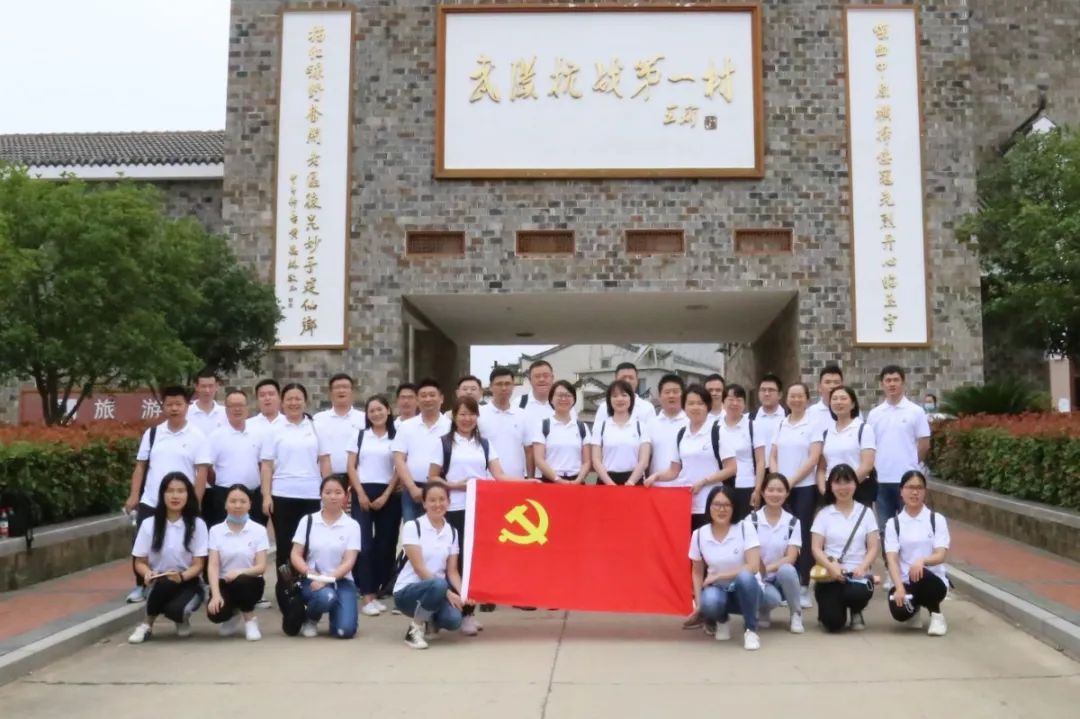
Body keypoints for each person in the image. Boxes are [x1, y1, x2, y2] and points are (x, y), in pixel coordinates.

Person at [429, 396, 524, 635]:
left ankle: (468, 614)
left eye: (471, 414)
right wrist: (456, 485)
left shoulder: (484, 444)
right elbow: (432, 477)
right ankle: (448, 611)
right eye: (462, 414)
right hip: (452, 509)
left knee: (474, 563)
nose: (467, 419)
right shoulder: (444, 443)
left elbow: (499, 475)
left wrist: (527, 483)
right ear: (454, 416)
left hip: (479, 509)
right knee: (455, 562)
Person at [123, 386, 207, 603]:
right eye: (169, 404)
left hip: (182, 501)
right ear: (163, 407)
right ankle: (141, 585)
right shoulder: (152, 434)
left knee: (182, 543)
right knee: (142, 543)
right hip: (152, 500)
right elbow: (141, 466)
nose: (174, 408)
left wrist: (196, 502)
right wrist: (134, 495)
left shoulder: (197, 436)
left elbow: (201, 472)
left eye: (179, 404)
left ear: (187, 406)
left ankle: (186, 582)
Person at [127, 472, 209, 643]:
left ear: (188, 495)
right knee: (164, 584)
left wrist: (181, 577)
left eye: (180, 491)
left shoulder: (197, 524)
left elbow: (198, 564)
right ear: (162, 494)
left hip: (188, 581)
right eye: (170, 491)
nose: (175, 496)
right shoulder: (149, 524)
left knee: (178, 609)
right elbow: (139, 561)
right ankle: (147, 625)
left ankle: (181, 617)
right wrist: (147, 573)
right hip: (159, 580)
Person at [260, 382, 323, 599]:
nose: (294, 403)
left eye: (298, 399)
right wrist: (266, 495)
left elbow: (324, 461)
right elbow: (266, 465)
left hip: (312, 495)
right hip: (283, 495)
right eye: (289, 399)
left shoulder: (315, 427)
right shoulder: (274, 429)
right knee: (285, 546)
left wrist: (328, 492)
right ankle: (286, 592)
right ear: (282, 402)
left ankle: (309, 590)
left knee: (310, 546)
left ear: (306, 402)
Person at [644, 384, 735, 530]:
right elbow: (674, 471)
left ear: (707, 406)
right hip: (685, 502)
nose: (695, 407)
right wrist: (656, 476)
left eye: (700, 403)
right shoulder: (681, 434)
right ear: (684, 407)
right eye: (691, 403)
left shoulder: (718, 432)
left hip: (711, 502)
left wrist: (704, 482)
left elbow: (731, 468)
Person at [393, 483, 471, 649]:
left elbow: (452, 572)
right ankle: (414, 630)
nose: (438, 504)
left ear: (449, 502)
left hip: (437, 591)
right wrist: (448, 593)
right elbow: (419, 568)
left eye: (442, 499)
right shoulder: (413, 526)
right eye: (432, 500)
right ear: (424, 503)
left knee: (454, 620)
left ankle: (429, 619)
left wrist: (465, 593)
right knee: (439, 584)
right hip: (408, 592)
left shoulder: (452, 532)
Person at [346, 395, 402, 617]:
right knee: (364, 545)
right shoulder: (359, 435)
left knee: (384, 545)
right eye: (371, 411)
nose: (376, 414)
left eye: (380, 409)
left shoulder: (397, 436)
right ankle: (366, 595)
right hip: (363, 491)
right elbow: (351, 467)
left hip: (389, 493)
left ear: (388, 410)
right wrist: (359, 493)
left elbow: (399, 468)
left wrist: (387, 494)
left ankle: (377, 591)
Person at [767, 382, 821, 608]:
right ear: (786, 399)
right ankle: (783, 586)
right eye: (792, 396)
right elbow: (773, 455)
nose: (796, 400)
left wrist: (790, 481)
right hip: (781, 489)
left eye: (800, 396)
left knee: (803, 535)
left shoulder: (813, 424)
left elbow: (814, 458)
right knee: (783, 536)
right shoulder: (781, 423)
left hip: (804, 487)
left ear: (807, 399)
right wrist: (777, 480)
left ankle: (804, 585)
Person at [689, 485, 763, 651]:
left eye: (727, 505)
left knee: (745, 577)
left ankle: (751, 629)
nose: (721, 509)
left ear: (734, 507)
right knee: (709, 601)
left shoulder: (745, 527)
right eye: (717, 504)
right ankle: (722, 620)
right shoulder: (699, 534)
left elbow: (753, 566)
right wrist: (699, 604)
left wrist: (719, 576)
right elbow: (697, 571)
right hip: (719, 589)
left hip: (747, 588)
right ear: (709, 507)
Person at [289, 475, 362, 638]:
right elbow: (295, 554)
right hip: (312, 579)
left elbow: (349, 561)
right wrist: (308, 571)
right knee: (326, 597)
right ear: (321, 494)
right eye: (328, 492)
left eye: (338, 492)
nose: (333, 497)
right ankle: (311, 618)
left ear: (346, 496)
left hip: (341, 581)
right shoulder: (308, 520)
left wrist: (326, 580)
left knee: (344, 631)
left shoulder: (352, 525)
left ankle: (337, 617)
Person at [811, 464, 880, 632]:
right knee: (833, 623)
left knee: (858, 593)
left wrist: (862, 567)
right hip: (831, 574)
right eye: (838, 483)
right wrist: (830, 566)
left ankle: (856, 610)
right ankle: (828, 606)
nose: (843, 488)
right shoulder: (823, 514)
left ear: (855, 484)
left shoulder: (866, 513)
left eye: (847, 482)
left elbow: (873, 547)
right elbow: (816, 548)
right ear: (830, 486)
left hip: (856, 575)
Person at [884, 470, 950, 636]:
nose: (914, 492)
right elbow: (892, 560)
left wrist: (922, 561)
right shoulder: (894, 523)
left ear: (925, 492)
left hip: (932, 580)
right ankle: (914, 609)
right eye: (910, 487)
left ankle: (936, 615)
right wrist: (899, 587)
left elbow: (941, 554)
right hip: (906, 581)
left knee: (920, 574)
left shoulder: (936, 519)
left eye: (919, 488)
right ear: (901, 491)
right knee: (900, 612)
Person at [866, 365, 931, 529]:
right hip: (881, 480)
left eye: (896, 380)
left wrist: (911, 462)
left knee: (909, 527)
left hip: (908, 480)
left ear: (903, 383)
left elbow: (924, 444)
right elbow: (869, 446)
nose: (892, 384)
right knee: (885, 528)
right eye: (888, 380)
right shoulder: (874, 414)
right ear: (882, 384)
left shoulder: (916, 411)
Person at [205, 484, 268, 641]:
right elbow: (213, 565)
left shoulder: (259, 530)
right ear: (225, 504)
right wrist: (215, 595)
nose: (237, 505)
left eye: (242, 501)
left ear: (250, 504)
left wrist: (239, 572)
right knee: (215, 613)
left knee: (241, 582)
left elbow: (261, 567)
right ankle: (232, 614)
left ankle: (250, 619)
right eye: (233, 501)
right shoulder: (215, 531)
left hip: (250, 582)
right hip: (224, 582)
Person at [197, 389, 266, 529]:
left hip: (253, 495)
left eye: (240, 405)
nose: (237, 409)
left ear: (247, 408)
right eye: (232, 406)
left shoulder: (258, 433)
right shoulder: (215, 436)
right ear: (226, 410)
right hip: (224, 496)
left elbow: (263, 465)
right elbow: (206, 468)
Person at [749, 473, 804, 633]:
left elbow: (791, 557)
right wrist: (760, 572)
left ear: (787, 493)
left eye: (780, 490)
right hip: (758, 578)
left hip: (781, 577)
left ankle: (796, 613)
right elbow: (749, 554)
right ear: (762, 492)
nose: (775, 494)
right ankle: (763, 610)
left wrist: (767, 568)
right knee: (772, 598)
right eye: (771, 490)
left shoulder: (793, 522)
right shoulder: (751, 520)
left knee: (787, 569)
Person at [392, 378, 451, 521]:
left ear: (441, 398)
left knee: (442, 530)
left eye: (432, 395)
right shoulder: (406, 426)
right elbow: (399, 459)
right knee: (413, 530)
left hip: (443, 490)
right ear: (417, 400)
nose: (428, 399)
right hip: (413, 490)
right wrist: (412, 488)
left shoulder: (451, 426)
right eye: (423, 396)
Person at [814, 386, 877, 506]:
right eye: (834, 399)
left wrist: (845, 487)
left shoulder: (863, 429)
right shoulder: (827, 433)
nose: (838, 402)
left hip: (859, 489)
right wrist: (825, 490)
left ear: (853, 404)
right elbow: (821, 468)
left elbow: (867, 465)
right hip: (831, 492)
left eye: (843, 398)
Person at [589, 380, 652, 486]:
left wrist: (631, 482)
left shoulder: (641, 427)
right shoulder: (601, 427)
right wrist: (610, 484)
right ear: (609, 400)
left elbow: (644, 461)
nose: (619, 399)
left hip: (634, 481)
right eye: (615, 396)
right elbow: (596, 460)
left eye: (624, 395)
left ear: (631, 399)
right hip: (606, 481)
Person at [532, 380, 592, 484]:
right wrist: (558, 480)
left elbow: (587, 461)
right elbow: (539, 460)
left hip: (576, 482)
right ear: (551, 399)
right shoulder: (542, 426)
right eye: (559, 395)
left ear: (574, 399)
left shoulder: (582, 427)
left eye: (568, 395)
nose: (563, 399)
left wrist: (578, 480)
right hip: (550, 481)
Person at [479, 366, 531, 481]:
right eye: (499, 384)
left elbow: (529, 451)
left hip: (516, 481)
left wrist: (530, 479)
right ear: (491, 386)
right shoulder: (479, 414)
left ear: (513, 386)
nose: (504, 388)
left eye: (508, 384)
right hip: (487, 480)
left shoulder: (523, 415)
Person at [314, 373, 367, 486]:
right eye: (337, 387)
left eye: (345, 387)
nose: (341, 390)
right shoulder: (318, 419)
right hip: (326, 477)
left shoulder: (364, 418)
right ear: (330, 393)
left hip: (358, 478)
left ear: (352, 392)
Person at [717, 384, 755, 521]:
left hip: (746, 484)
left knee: (745, 523)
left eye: (739, 399)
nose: (734, 403)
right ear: (723, 402)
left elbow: (761, 461)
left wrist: (757, 490)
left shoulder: (752, 426)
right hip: (721, 485)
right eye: (730, 399)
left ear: (744, 404)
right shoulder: (715, 427)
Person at [750, 374, 787, 507]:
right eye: (763, 390)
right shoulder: (750, 419)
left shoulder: (788, 417)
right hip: (757, 474)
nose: (766, 393)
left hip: (783, 472)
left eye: (771, 390)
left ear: (780, 394)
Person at [648, 374, 688, 478]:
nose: (671, 395)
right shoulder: (651, 424)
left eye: (675, 392)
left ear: (683, 395)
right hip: (656, 482)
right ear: (659, 396)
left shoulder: (690, 422)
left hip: (685, 483)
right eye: (667, 392)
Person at [593, 362, 656, 427]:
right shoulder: (604, 407)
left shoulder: (647, 408)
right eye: (623, 378)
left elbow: (652, 432)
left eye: (631, 378)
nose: (627, 381)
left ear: (637, 381)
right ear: (616, 380)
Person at [187, 369, 227, 437]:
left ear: (217, 386)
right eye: (203, 386)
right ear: (196, 387)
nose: (207, 390)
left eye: (211, 386)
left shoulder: (226, 413)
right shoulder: (186, 412)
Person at [807, 365, 844, 434]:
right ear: (819, 387)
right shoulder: (810, 413)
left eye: (836, 382)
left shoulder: (850, 411)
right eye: (827, 382)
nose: (832, 386)